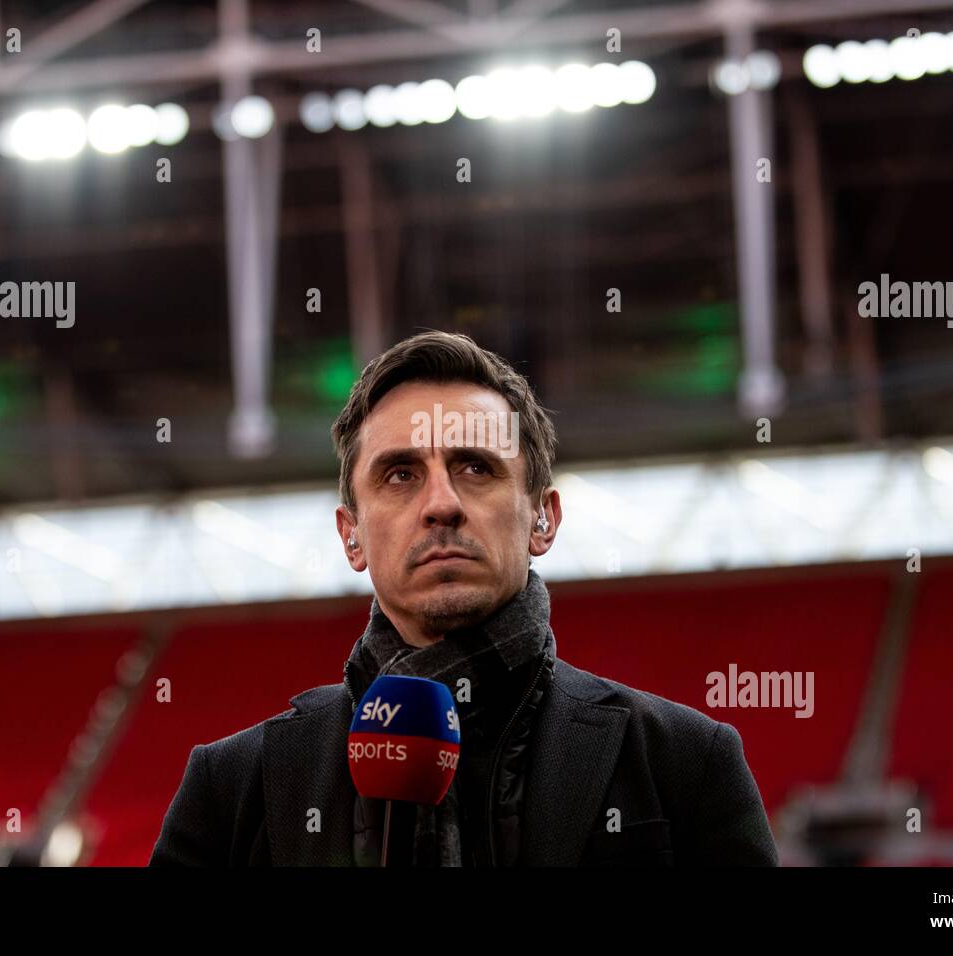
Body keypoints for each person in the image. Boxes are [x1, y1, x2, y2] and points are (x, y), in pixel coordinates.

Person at [149, 330, 778, 866]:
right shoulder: (232, 789)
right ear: (351, 536)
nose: (442, 503)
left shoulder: (686, 764)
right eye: (400, 474)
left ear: (543, 518)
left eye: (476, 467)